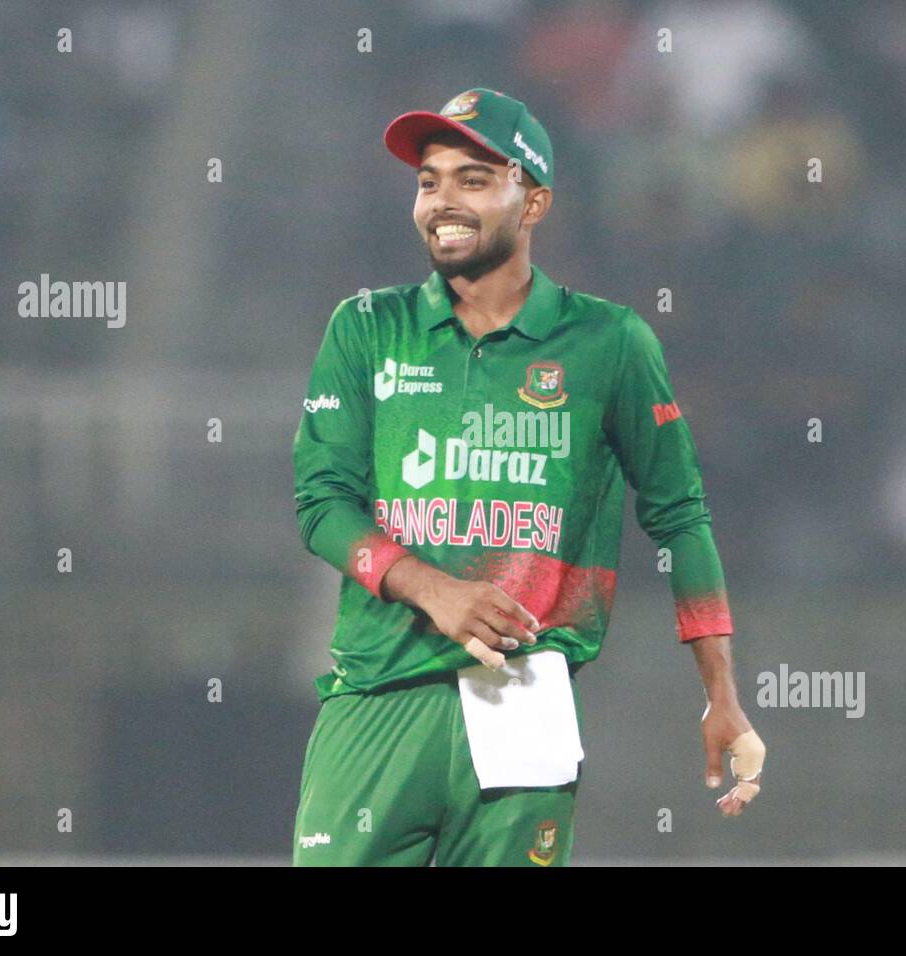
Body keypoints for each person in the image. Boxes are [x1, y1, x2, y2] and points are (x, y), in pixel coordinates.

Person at [291, 88, 764, 866]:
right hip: (378, 694)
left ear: (533, 201)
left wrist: (722, 694)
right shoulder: (368, 328)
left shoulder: (610, 343)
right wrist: (434, 589)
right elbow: (321, 504)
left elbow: (680, 516)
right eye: (428, 180)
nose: (442, 200)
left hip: (521, 697)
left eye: (473, 179)